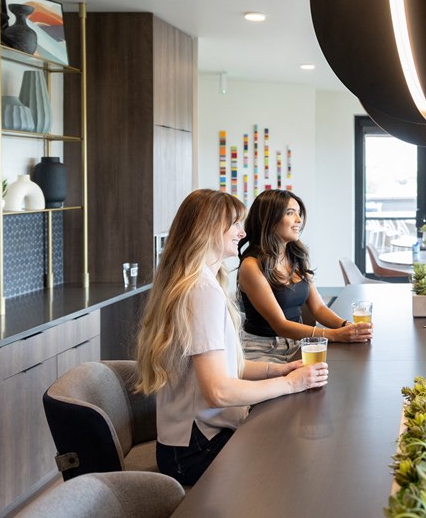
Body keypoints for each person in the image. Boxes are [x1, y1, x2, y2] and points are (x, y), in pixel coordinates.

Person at [135, 189, 328, 486]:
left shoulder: (202, 280)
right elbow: (218, 392)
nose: (242, 232)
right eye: (235, 224)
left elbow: (225, 366)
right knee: (294, 460)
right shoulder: (200, 291)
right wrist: (291, 383)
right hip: (194, 450)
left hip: (190, 442)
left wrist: (279, 370)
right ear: (209, 228)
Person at [238, 189, 372, 363]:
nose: (299, 220)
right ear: (268, 218)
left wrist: (346, 327)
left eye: (299, 214)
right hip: (263, 351)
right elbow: (280, 325)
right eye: (290, 213)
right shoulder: (251, 266)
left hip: (299, 344)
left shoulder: (296, 256)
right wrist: (334, 335)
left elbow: (318, 308)